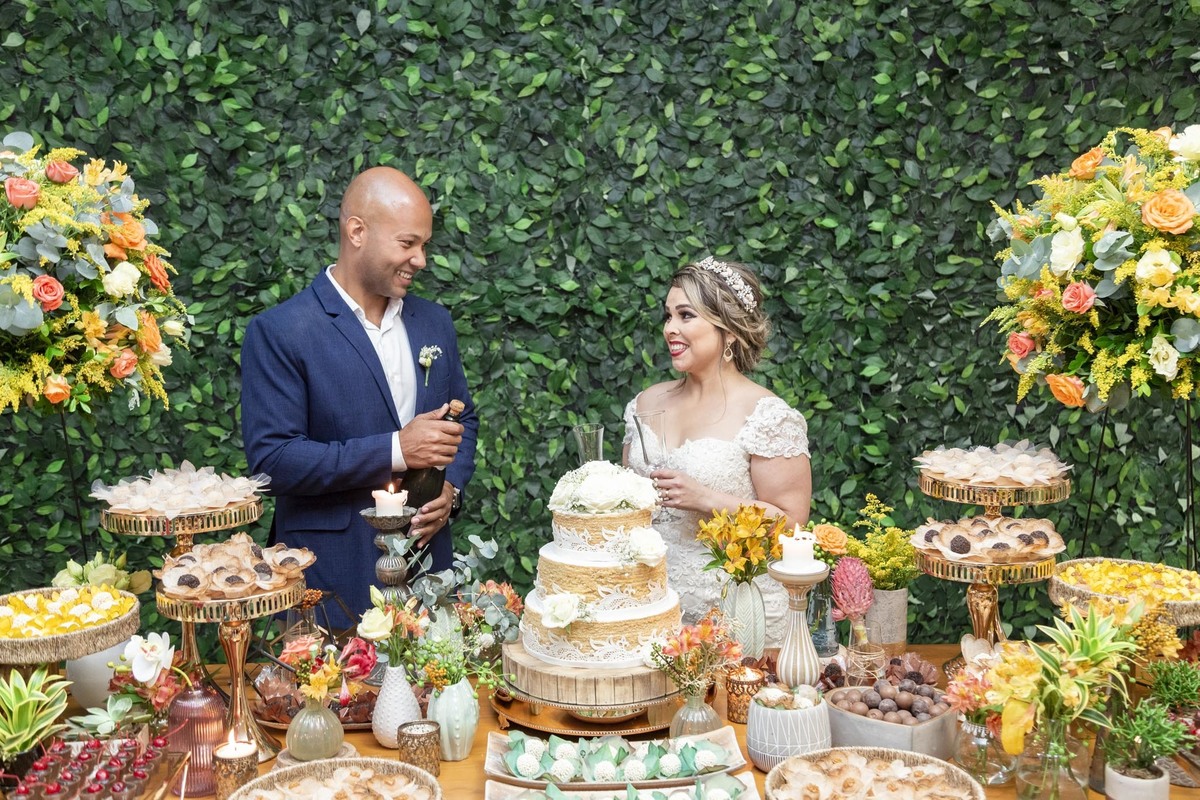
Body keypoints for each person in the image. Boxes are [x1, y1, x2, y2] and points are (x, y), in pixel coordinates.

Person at [241, 166, 478, 630]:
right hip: (329, 582)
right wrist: (397, 449)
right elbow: (273, 461)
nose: (421, 259)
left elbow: (463, 418)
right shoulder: (281, 331)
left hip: (427, 577)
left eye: (425, 245)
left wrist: (451, 490)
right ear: (356, 232)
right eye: (408, 243)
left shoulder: (434, 323)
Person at [622, 256, 811, 647]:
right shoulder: (645, 403)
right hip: (648, 610)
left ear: (728, 329)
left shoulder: (767, 415)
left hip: (733, 614)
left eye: (686, 315)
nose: (670, 328)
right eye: (668, 316)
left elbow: (793, 526)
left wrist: (705, 498)